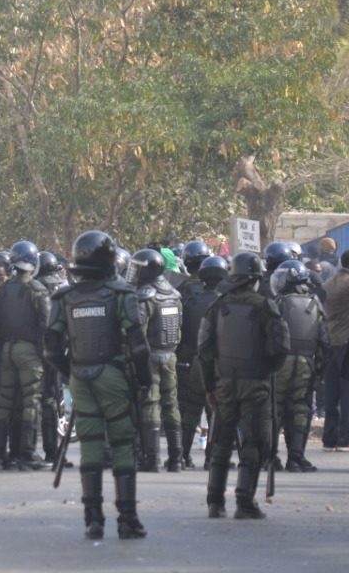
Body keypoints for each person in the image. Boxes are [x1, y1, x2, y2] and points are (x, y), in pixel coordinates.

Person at [44, 230, 150, 539]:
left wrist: (70, 372)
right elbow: (139, 346)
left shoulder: (64, 297)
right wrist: (143, 382)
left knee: (90, 448)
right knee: (121, 445)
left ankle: (93, 519)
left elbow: (51, 347)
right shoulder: (120, 294)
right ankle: (127, 519)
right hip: (113, 375)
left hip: (81, 376)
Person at [199, 251, 290, 519]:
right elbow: (280, 347)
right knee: (254, 442)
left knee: (221, 442)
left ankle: (215, 502)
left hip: (224, 383)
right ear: (255, 279)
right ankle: (244, 501)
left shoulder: (217, 306)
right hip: (255, 383)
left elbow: (204, 350)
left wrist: (209, 386)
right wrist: (266, 370)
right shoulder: (265, 307)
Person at [0, 241, 50, 471]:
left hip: (7, 348)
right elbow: (45, 324)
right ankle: (27, 453)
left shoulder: (4, 289)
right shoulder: (37, 289)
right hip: (29, 351)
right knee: (30, 401)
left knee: (5, 402)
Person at [271, 260, 329, 473]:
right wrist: (320, 368)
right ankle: (296, 458)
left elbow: (269, 335)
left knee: (274, 410)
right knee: (300, 410)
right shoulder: (315, 304)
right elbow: (324, 340)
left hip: (280, 363)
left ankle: (271, 457)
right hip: (306, 361)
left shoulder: (278, 303)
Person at [131, 248, 184, 472]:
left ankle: (152, 459)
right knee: (171, 404)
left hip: (150, 356)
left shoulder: (145, 296)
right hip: (170, 355)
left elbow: (138, 333)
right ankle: (177, 459)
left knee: (151, 403)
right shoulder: (174, 294)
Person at [176, 250, 224, 471]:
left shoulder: (188, 299)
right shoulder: (225, 303)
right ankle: (211, 458)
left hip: (191, 361)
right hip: (216, 362)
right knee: (215, 411)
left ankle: (182, 455)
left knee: (190, 411)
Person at [321, 249, 349, 452]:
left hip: (331, 341)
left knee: (332, 392)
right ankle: (347, 436)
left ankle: (329, 436)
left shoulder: (328, 283)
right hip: (348, 343)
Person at [36, 251, 68, 465]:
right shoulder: (63, 289)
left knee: (36, 400)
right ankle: (53, 452)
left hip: (37, 349)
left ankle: (38, 450)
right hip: (57, 349)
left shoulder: (34, 288)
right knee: (53, 400)